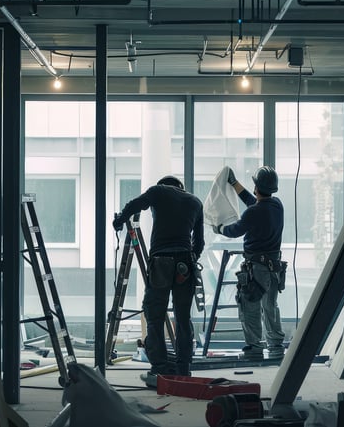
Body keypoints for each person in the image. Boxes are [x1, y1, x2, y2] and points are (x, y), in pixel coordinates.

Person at [112, 175, 204, 387]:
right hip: (185, 264)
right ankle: (183, 369)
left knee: (155, 316)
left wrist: (119, 221)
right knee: (182, 318)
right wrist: (190, 260)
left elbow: (133, 205)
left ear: (165, 185)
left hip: (161, 261)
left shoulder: (158, 191)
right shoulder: (195, 202)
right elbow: (198, 243)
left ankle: (159, 368)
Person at [212, 166, 286, 361]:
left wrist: (219, 229)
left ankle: (254, 348)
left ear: (256, 186)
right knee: (270, 306)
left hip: (256, 270)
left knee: (250, 307)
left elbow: (235, 230)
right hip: (274, 268)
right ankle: (276, 346)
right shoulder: (277, 205)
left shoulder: (253, 213)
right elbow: (253, 203)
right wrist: (234, 184)